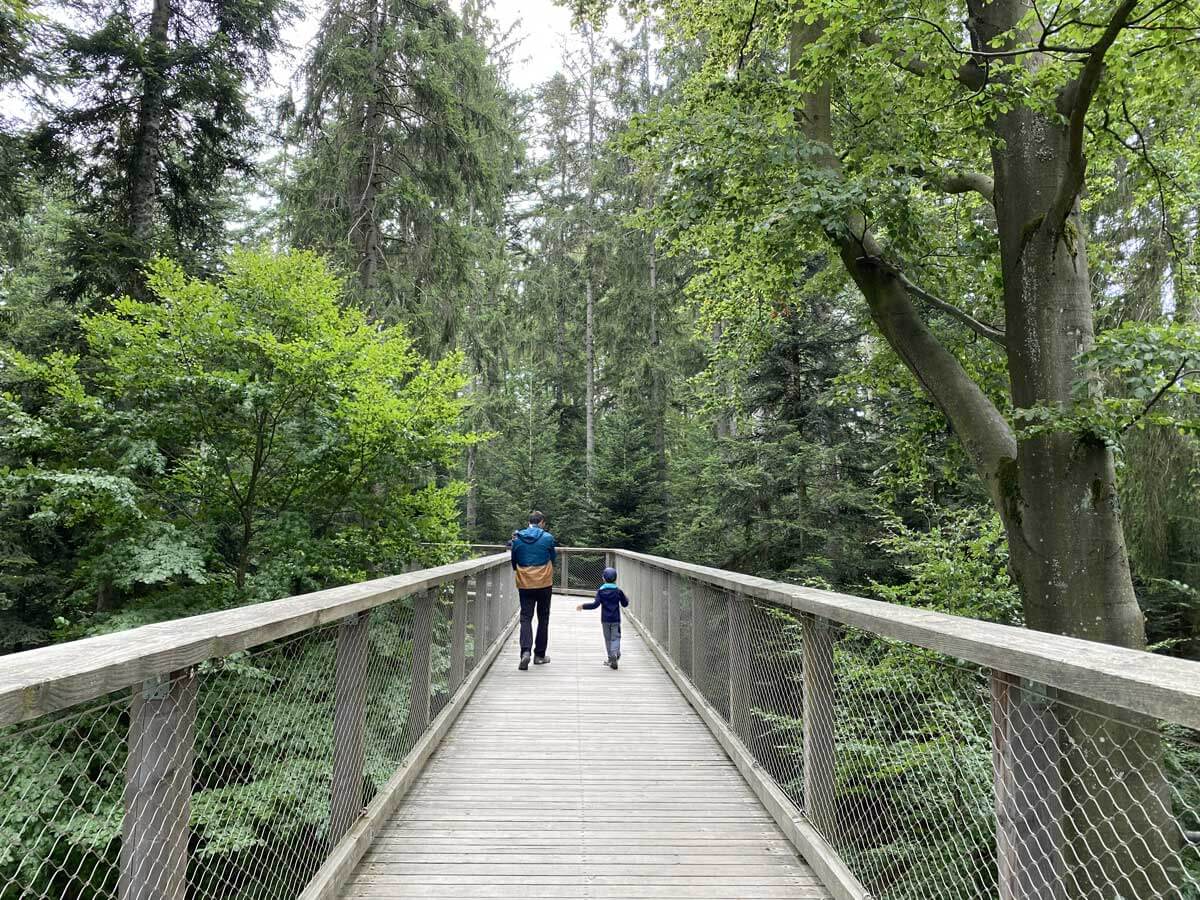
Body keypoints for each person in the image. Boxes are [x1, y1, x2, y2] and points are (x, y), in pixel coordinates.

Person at [510, 511, 557, 670]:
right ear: (542, 522)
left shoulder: (517, 538)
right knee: (543, 618)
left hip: (525, 582)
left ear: (529, 521)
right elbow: (553, 558)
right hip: (544, 583)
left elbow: (514, 560)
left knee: (525, 617)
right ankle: (539, 656)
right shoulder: (548, 538)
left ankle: (525, 652)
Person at [576, 566, 630, 670]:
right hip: (616, 619)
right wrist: (626, 599)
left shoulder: (601, 591)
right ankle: (614, 654)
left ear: (603, 578)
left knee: (608, 639)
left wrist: (583, 606)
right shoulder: (618, 591)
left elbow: (595, 605)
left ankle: (611, 657)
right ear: (615, 579)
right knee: (616, 637)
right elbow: (625, 604)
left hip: (605, 620)